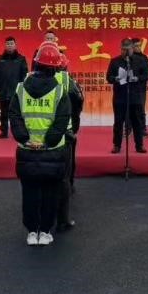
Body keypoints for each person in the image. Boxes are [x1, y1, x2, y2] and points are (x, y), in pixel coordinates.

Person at [10, 42, 72, 245]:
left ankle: (31, 232)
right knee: (50, 194)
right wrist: (48, 142)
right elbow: (62, 121)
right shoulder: (60, 91)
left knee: (29, 193)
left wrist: (24, 138)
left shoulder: (21, 89)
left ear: (35, 64)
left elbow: (14, 116)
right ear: (54, 68)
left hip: (27, 151)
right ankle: (45, 231)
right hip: (53, 151)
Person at [54, 51, 85, 233]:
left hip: (41, 134)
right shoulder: (68, 81)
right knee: (65, 172)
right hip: (66, 131)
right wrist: (74, 124)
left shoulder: (32, 81)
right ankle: (62, 220)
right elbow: (79, 101)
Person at [107, 38, 148, 154]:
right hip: (120, 96)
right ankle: (117, 145)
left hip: (135, 96)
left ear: (132, 48)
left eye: (128, 49)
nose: (125, 52)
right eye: (123, 49)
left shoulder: (140, 60)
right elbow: (109, 77)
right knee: (118, 122)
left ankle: (139, 145)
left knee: (137, 121)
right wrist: (115, 78)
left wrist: (137, 78)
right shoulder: (115, 61)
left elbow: (146, 75)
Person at [0, 37, 29, 139]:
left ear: (15, 45)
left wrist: (23, 88)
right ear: (5, 45)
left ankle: (18, 132)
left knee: (17, 113)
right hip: (3, 91)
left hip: (16, 91)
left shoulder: (21, 59)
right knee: (3, 113)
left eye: (11, 43)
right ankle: (4, 132)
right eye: (8, 44)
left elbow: (25, 75)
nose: (9, 45)